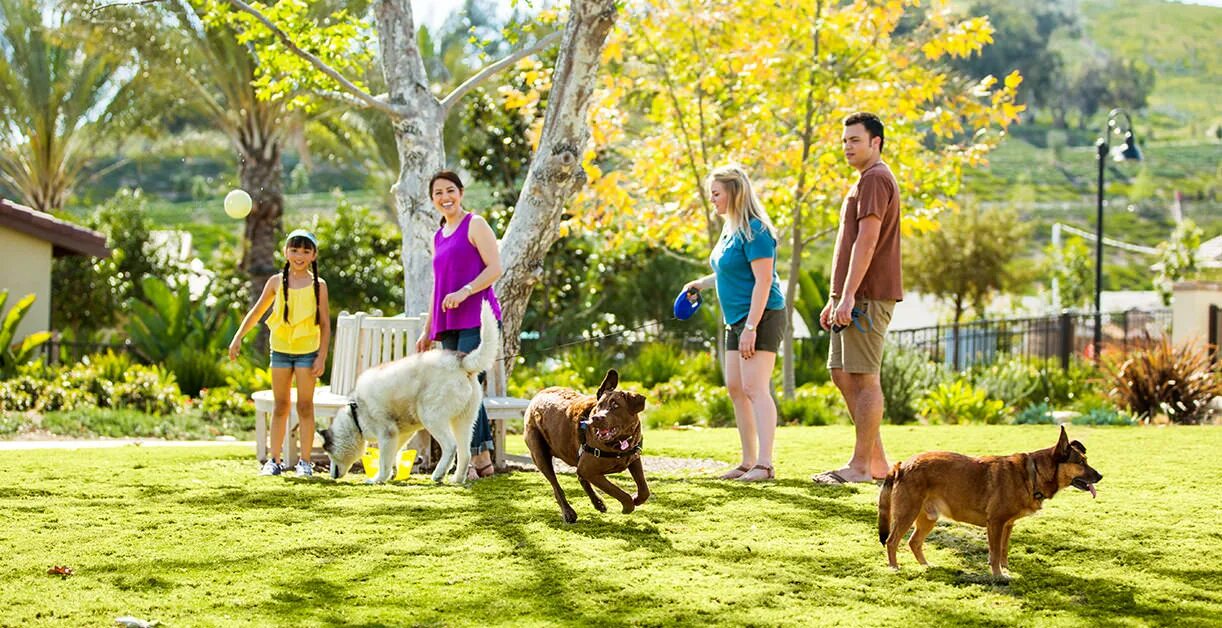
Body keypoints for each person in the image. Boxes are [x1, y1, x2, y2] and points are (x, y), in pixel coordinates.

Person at [812, 112, 903, 485]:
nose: (847, 146)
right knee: (841, 373)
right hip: (850, 297)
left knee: (865, 378)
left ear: (875, 142)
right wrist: (835, 297)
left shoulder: (876, 179)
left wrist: (848, 295)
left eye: (855, 140)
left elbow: (867, 241)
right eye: (845, 141)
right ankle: (878, 463)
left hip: (867, 296)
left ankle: (861, 466)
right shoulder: (864, 181)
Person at [683, 164, 786, 482]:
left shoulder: (757, 231)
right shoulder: (731, 230)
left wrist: (752, 327)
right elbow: (729, 271)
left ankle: (765, 465)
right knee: (736, 388)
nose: (712, 200)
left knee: (755, 387)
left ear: (735, 193)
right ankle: (747, 461)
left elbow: (763, 280)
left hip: (762, 316)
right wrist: (701, 283)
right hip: (737, 319)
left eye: (716, 194)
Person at [415, 170, 503, 480]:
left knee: (467, 385)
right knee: (457, 391)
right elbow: (437, 287)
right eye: (438, 193)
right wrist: (427, 331)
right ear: (433, 200)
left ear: (461, 192)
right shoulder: (438, 235)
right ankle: (479, 459)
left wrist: (466, 291)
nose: (445, 197)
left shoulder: (475, 224)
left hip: (476, 319)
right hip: (448, 322)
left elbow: (495, 268)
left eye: (450, 190)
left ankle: (477, 460)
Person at [229, 229, 331, 477]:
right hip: (281, 352)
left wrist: (322, 356)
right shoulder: (275, 282)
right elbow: (256, 312)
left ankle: (305, 463)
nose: (299, 256)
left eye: (306, 251)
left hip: (308, 352)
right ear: (285, 252)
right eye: (294, 250)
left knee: (306, 407)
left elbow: (326, 324)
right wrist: (238, 337)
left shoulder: (319, 286)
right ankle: (273, 460)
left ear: (314, 255)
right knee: (281, 406)